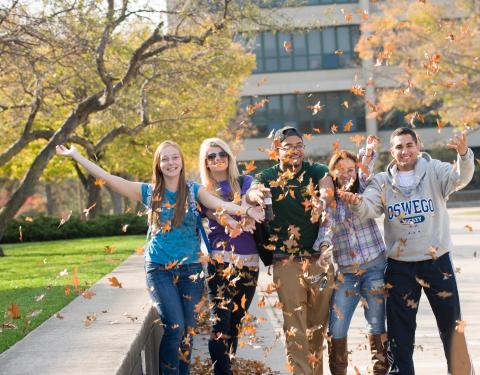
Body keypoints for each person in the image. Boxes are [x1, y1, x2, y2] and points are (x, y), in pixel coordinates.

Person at [55, 141, 264, 375]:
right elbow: (110, 179)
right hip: (159, 269)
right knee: (175, 328)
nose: (170, 163)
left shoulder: (194, 191)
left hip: (191, 271)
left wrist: (246, 211)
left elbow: (220, 205)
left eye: (175, 157)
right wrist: (76, 156)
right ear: (158, 164)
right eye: (165, 159)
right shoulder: (149, 191)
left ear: (182, 162)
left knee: (188, 332)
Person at [338, 127, 475, 375]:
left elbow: (460, 178)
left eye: (409, 145)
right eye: (399, 147)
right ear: (392, 151)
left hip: (436, 263)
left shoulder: (435, 170)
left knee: (452, 328)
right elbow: (368, 206)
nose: (405, 151)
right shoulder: (381, 181)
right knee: (400, 336)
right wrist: (358, 203)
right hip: (400, 267)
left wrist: (464, 154)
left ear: (418, 146)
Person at [245, 126, 335, 375]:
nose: (295, 151)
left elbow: (327, 186)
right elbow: (252, 191)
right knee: (295, 325)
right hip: (286, 262)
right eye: (289, 146)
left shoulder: (315, 170)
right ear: (277, 149)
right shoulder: (267, 177)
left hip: (318, 260)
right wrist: (256, 194)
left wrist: (323, 200)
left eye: (299, 146)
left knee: (317, 325)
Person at [313, 136, 388, 375]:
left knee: (376, 323)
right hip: (347, 273)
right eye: (341, 170)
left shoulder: (364, 186)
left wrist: (368, 151)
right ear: (333, 174)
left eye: (350, 169)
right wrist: (324, 248)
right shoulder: (332, 203)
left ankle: (380, 370)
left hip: (375, 267)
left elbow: (368, 165)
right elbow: (327, 229)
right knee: (337, 327)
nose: (347, 173)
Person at [198, 137, 260, 375]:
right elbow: (215, 214)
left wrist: (248, 207)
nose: (217, 159)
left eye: (221, 154)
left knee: (235, 323)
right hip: (221, 263)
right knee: (219, 324)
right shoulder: (203, 190)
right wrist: (234, 219)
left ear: (229, 157)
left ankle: (227, 367)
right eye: (211, 156)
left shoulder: (245, 181)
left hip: (249, 264)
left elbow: (252, 197)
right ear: (206, 162)